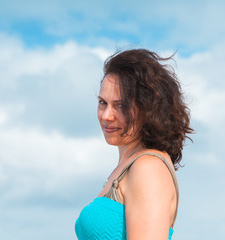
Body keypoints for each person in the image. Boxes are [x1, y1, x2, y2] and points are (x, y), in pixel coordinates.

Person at [75, 49, 194, 240]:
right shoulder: (127, 167)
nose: (107, 115)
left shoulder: (148, 167)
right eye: (102, 102)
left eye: (120, 105)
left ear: (148, 109)